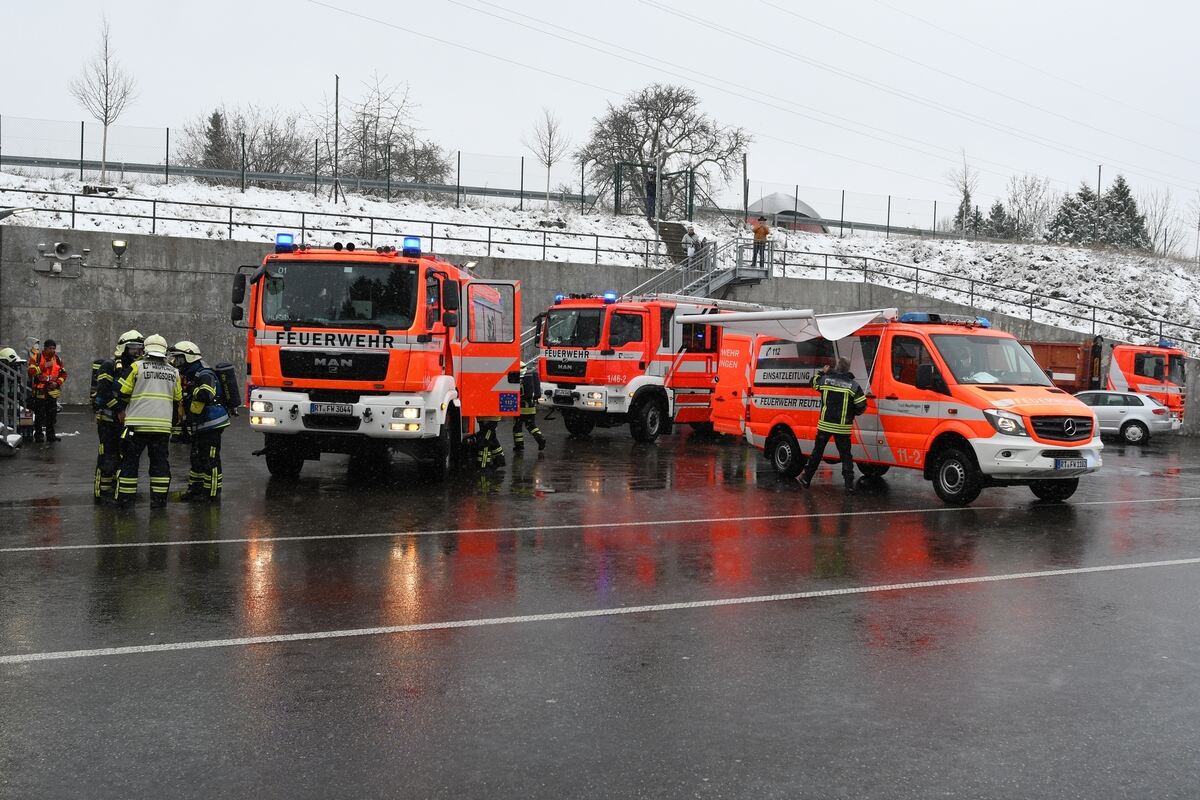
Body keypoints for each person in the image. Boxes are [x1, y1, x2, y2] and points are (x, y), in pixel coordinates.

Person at [112, 334, 182, 509]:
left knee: (130, 463)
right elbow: (178, 397)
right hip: (162, 427)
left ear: (146, 349)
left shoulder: (136, 367)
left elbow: (121, 390)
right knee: (160, 465)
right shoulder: (174, 372)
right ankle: (159, 502)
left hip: (137, 425)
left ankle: (126, 502)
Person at [171, 341, 231, 502]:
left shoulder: (204, 374)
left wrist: (189, 393)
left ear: (189, 358)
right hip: (200, 424)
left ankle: (211, 494)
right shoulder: (192, 374)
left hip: (212, 423)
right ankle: (195, 490)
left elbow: (206, 394)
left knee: (210, 459)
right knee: (196, 458)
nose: (177, 363)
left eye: (179, 359)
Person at [800, 356, 867, 494]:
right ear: (848, 369)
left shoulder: (825, 380)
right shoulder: (853, 385)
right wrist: (851, 413)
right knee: (846, 456)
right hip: (842, 427)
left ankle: (806, 478)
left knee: (817, 453)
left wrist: (822, 372)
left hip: (825, 425)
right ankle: (849, 486)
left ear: (836, 367)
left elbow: (812, 382)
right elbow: (861, 406)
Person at [92, 330, 144, 503]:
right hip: (108, 421)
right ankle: (102, 492)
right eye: (133, 348)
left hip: (127, 421)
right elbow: (104, 392)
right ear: (123, 348)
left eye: (139, 348)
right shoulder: (109, 366)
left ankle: (116, 487)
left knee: (124, 456)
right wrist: (119, 410)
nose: (137, 352)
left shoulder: (137, 368)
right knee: (108, 456)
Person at [28, 339, 67, 443]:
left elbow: (63, 374)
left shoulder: (57, 359)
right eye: (50, 348)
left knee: (52, 415)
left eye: (54, 348)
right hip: (40, 391)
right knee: (39, 415)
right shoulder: (37, 357)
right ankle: (39, 436)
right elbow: (31, 371)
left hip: (53, 391)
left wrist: (57, 383)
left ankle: (51, 436)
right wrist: (43, 366)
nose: (52, 350)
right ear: (45, 348)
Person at [512, 362, 546, 454]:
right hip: (531, 405)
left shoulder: (520, 379)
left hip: (522, 407)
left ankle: (519, 446)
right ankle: (540, 438)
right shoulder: (531, 375)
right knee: (531, 425)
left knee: (517, 427)